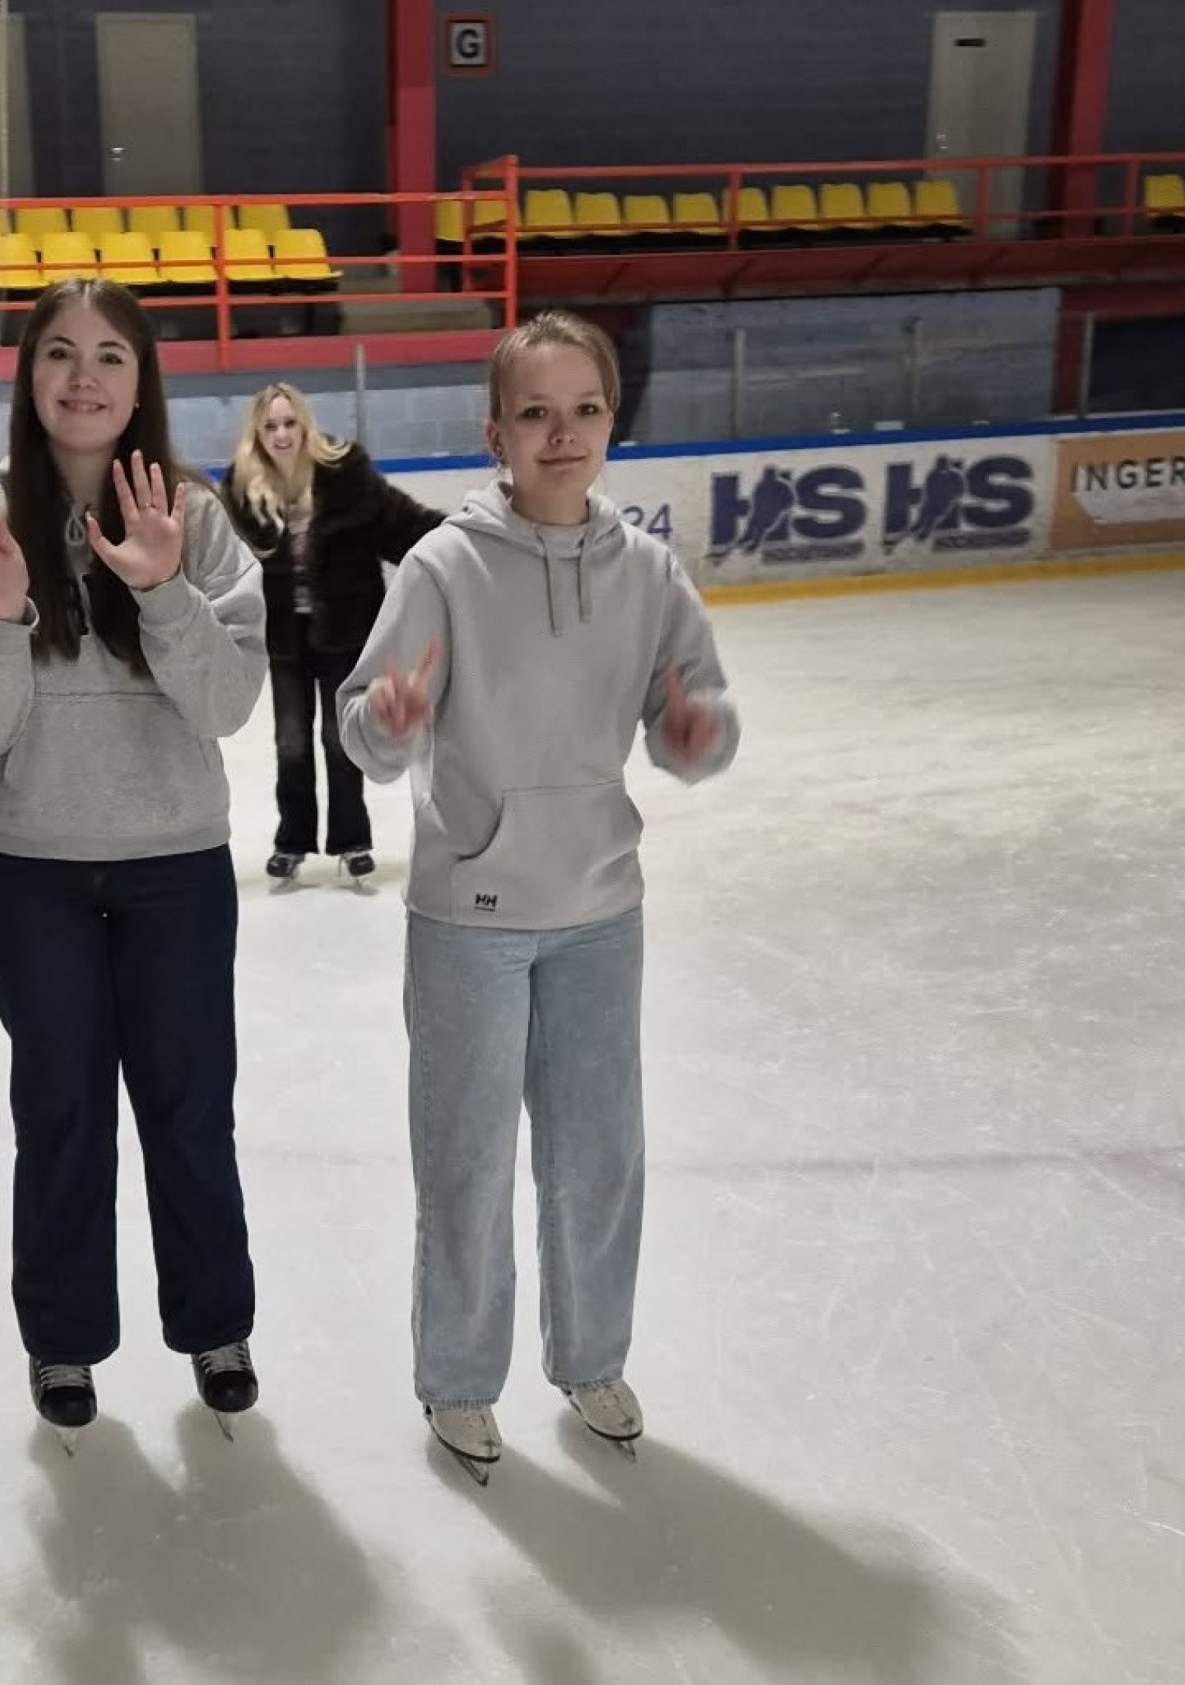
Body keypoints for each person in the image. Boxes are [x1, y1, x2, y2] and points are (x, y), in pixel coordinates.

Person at [337, 311, 740, 1482]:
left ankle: (590, 1356)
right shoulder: (442, 567)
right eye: (534, 413)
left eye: (584, 410)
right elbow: (361, 724)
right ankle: (460, 1378)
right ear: (495, 434)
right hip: (468, 915)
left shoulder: (647, 572)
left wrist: (695, 732)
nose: (561, 434)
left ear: (610, 422)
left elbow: (696, 714)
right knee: (464, 1160)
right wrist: (388, 720)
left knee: (597, 1153)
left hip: (599, 909)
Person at [0, 278, 268, 1439]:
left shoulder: (196, 520)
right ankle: (61, 1337)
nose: (83, 376)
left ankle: (215, 1322)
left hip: (175, 866)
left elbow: (227, 705)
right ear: (27, 375)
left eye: (110, 355)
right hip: (30, 871)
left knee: (187, 1105)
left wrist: (161, 587)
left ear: (140, 379)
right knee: (60, 1108)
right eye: (58, 352)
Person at [219, 382, 441, 885]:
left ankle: (352, 840)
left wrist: (460, 540)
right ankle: (292, 841)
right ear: (258, 433)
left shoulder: (347, 476)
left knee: (340, 739)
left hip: (345, 632)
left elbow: (403, 525)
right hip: (284, 641)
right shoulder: (241, 489)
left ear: (304, 426)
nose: (281, 434)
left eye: (289, 423)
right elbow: (222, 566)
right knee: (291, 741)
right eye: (270, 426)